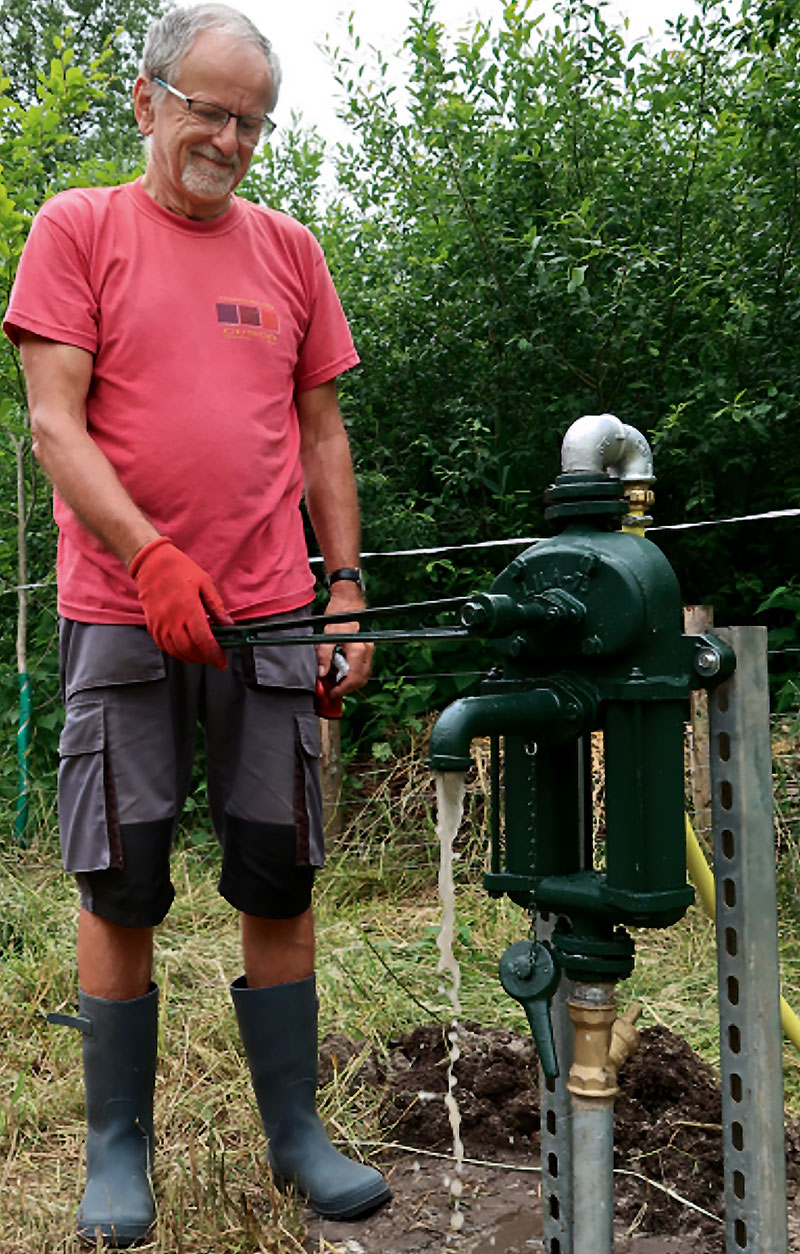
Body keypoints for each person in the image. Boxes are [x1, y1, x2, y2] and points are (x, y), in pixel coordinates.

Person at [3, 3, 391, 1246]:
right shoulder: (79, 228)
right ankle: (117, 1148)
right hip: (123, 607)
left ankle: (296, 1135)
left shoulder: (289, 251)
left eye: (250, 120)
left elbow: (323, 431)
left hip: (278, 610)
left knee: (280, 868)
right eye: (207, 109)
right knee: (120, 877)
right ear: (147, 101)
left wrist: (341, 591)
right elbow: (54, 423)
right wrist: (150, 554)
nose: (226, 137)